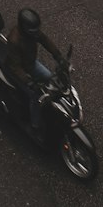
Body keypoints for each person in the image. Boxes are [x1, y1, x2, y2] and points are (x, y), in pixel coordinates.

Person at [4, 8, 64, 139]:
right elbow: (15, 67)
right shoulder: (14, 40)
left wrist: (58, 56)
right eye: (33, 31)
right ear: (24, 27)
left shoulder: (32, 32)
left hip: (31, 64)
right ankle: (35, 125)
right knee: (35, 96)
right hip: (18, 70)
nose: (36, 33)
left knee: (50, 77)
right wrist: (28, 82)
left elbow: (45, 40)